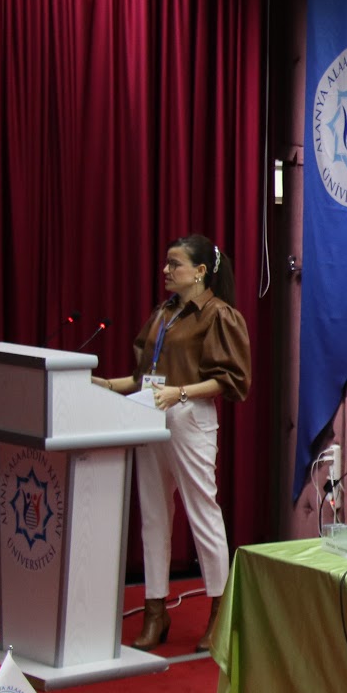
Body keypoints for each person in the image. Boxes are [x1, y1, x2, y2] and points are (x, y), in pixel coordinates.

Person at [92, 234, 250, 652]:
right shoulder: (164, 313)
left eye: (174, 264)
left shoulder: (218, 314)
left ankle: (220, 611)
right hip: (150, 412)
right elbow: (143, 377)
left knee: (203, 513)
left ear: (200, 272)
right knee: (154, 515)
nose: (166, 270)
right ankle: (155, 609)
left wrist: (180, 392)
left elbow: (230, 380)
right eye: (166, 263)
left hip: (188, 417)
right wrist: (104, 385)